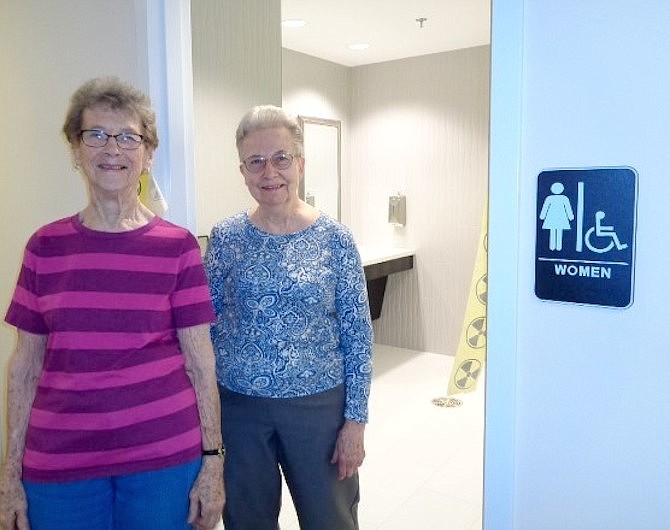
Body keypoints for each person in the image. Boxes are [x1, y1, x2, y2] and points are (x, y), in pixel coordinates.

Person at [0, 77, 224, 530]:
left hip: (163, 457)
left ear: (148, 154)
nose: (112, 150)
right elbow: (24, 366)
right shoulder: (44, 247)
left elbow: (201, 362)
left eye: (128, 137)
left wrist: (213, 463)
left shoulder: (177, 247)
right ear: (75, 149)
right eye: (96, 135)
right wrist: (10, 474)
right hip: (60, 461)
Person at [205, 105, 373, 530]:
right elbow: (203, 328)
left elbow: (357, 333)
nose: (269, 172)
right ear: (242, 171)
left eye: (281, 158)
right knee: (248, 519)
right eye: (255, 162)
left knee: (329, 518)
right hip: (240, 409)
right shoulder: (225, 238)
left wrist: (355, 421)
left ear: (300, 162)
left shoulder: (335, 239)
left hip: (319, 407)